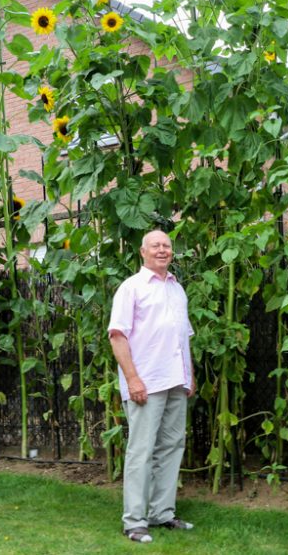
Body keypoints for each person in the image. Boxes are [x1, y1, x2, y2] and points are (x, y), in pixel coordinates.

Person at [108, 229, 196, 544]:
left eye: (167, 245)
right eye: (156, 245)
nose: (162, 250)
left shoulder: (177, 289)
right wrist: (132, 378)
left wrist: (190, 375)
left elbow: (182, 337)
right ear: (142, 252)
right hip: (146, 381)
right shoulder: (131, 288)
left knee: (172, 447)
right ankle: (135, 522)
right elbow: (117, 336)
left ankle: (162, 513)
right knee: (141, 452)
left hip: (176, 380)